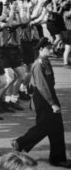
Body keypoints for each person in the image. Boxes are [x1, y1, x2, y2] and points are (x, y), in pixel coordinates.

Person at [12, 37, 71, 167]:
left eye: (51, 48)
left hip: (49, 96)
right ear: (40, 49)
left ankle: (58, 158)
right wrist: (52, 103)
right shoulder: (39, 64)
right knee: (43, 127)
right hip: (43, 99)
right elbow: (42, 86)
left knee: (57, 128)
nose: (50, 50)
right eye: (48, 48)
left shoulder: (45, 61)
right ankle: (19, 143)